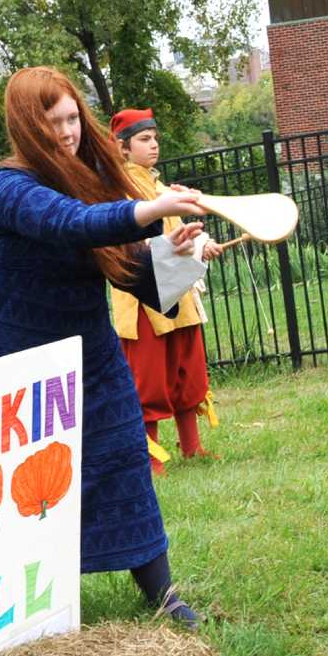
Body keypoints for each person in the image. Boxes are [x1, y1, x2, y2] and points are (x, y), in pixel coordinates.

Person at [0, 67, 210, 627]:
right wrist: (153, 209)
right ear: (27, 127)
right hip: (13, 365)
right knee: (22, 491)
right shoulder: (8, 190)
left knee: (125, 460)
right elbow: (73, 225)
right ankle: (23, 610)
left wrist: (173, 250)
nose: (69, 132)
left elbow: (126, 270)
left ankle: (165, 596)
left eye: (74, 117)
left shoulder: (84, 177)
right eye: (54, 123)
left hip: (88, 354)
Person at [106, 107, 224, 471]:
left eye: (155, 137)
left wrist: (200, 241)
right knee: (149, 377)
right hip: (142, 295)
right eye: (144, 139)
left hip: (178, 285)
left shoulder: (159, 185)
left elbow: (176, 232)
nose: (153, 145)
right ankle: (153, 460)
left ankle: (192, 446)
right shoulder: (118, 187)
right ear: (123, 148)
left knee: (187, 368)